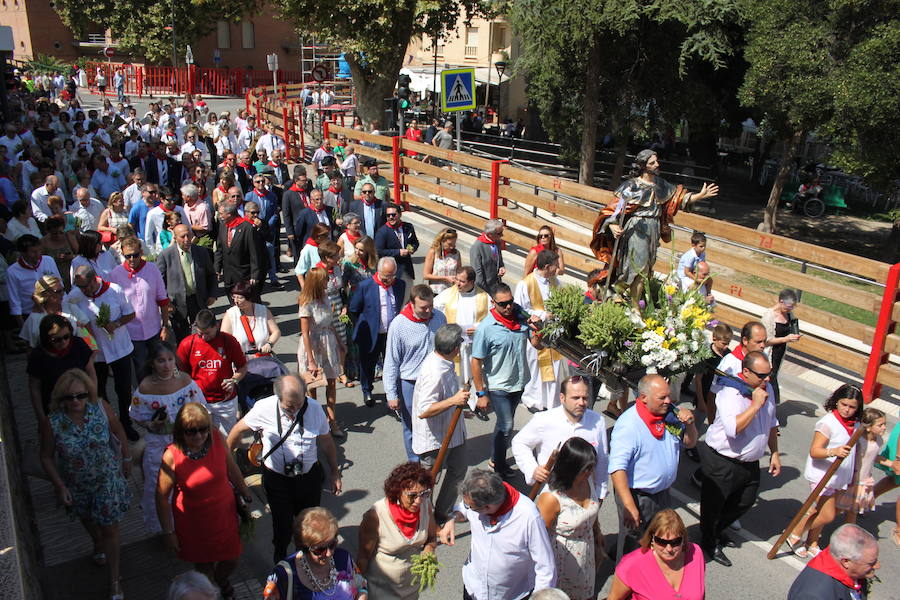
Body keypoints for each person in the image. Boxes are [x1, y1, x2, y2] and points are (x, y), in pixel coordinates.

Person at [228, 375, 342, 563]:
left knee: (309, 526)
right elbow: (237, 431)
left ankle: (307, 562)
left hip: (308, 479)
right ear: (278, 397)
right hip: (277, 479)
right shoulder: (264, 408)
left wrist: (335, 472)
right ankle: (280, 562)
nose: (295, 410)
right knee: (282, 526)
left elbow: (326, 441)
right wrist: (228, 464)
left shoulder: (313, 408)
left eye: (299, 404)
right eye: (290, 407)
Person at [40, 368, 132, 600]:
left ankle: (114, 580)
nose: (75, 401)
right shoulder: (53, 423)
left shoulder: (100, 408)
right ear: (60, 399)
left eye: (80, 395)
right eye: (69, 397)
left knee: (110, 528)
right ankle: (97, 543)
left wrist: (127, 457)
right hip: (76, 485)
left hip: (107, 481)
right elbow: (46, 456)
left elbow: (118, 429)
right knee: (90, 521)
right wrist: (60, 486)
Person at [590, 149, 719, 298]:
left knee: (646, 269)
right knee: (637, 267)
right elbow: (613, 210)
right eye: (652, 163)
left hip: (653, 230)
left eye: (656, 161)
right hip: (636, 229)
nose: (657, 164)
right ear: (643, 166)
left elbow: (679, 200)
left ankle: (632, 302)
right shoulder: (631, 186)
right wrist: (612, 225)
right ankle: (624, 296)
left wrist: (699, 196)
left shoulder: (661, 185)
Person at [156, 402, 249, 599]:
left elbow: (231, 467)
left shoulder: (215, 436)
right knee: (204, 567)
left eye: (202, 429)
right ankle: (208, 593)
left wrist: (244, 491)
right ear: (181, 432)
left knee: (232, 559)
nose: (198, 436)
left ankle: (221, 581)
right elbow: (162, 497)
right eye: (191, 432)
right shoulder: (171, 455)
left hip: (223, 516)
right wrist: (168, 532)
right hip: (194, 524)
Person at [698, 351, 780, 567]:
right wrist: (754, 406)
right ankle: (709, 541)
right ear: (746, 372)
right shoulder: (730, 393)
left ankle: (716, 530)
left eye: (769, 374)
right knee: (714, 506)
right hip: (722, 461)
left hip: (750, 462)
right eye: (762, 376)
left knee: (744, 501)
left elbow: (772, 422)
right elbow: (734, 429)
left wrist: (775, 453)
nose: (767, 380)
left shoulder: (766, 389)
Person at [609, 375, 697, 551]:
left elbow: (690, 442)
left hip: (662, 493)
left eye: (668, 396)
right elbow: (617, 468)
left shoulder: (671, 415)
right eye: (662, 398)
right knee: (635, 549)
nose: (668, 401)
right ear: (643, 398)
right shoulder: (629, 424)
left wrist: (690, 425)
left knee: (655, 541)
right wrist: (628, 505)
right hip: (639, 497)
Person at [439, 469, 556, 599]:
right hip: (474, 588)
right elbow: (464, 509)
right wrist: (453, 518)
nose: (469, 509)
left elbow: (545, 568)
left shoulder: (528, 517)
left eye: (473, 508)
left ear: (488, 507)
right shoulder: (474, 500)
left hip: (511, 595)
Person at [129, 341, 206, 533]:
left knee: (191, 481)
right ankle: (165, 527)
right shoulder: (145, 387)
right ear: (152, 363)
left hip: (185, 440)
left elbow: (201, 409)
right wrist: (151, 424)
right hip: (157, 443)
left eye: (170, 360)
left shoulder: (186, 381)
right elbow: (137, 416)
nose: (167, 365)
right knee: (159, 484)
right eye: (161, 361)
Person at [471, 283, 544, 478]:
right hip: (498, 385)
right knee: (507, 425)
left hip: (518, 382)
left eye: (510, 302)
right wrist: (481, 393)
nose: (508, 307)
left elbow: (537, 345)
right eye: (503, 304)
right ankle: (499, 465)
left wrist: (538, 328)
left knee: (503, 424)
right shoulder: (486, 328)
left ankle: (495, 459)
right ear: (493, 304)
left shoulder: (521, 321)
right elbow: (476, 361)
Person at [789, 384, 862, 558]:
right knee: (826, 515)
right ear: (836, 402)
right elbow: (815, 451)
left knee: (822, 511)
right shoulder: (827, 423)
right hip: (823, 475)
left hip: (840, 476)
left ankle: (812, 541)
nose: (847, 410)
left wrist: (854, 474)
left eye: (852, 407)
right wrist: (833, 451)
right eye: (844, 404)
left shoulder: (856, 424)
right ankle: (795, 533)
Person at [67, 264, 138, 440]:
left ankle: (126, 422)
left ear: (94, 279)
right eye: (79, 286)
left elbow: (130, 314)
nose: (82, 290)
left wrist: (116, 324)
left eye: (85, 286)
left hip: (119, 349)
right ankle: (108, 423)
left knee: (123, 390)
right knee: (98, 391)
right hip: (95, 354)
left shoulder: (114, 290)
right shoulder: (74, 296)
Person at [513, 375, 610, 499]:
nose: (581, 402)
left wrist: (600, 493)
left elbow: (602, 459)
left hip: (584, 495)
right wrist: (533, 469)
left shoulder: (597, 421)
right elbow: (519, 443)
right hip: (551, 496)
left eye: (585, 398)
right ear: (562, 398)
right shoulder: (543, 420)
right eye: (575, 398)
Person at [411, 324, 469, 520]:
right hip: (434, 439)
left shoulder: (445, 362)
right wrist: (454, 401)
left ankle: (442, 512)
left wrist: (457, 408)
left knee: (459, 469)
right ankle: (422, 521)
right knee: (428, 482)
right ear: (454, 348)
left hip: (453, 432)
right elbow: (424, 410)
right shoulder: (435, 371)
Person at [384, 284, 447, 461]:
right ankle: (415, 462)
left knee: (434, 420)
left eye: (430, 306)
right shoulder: (399, 325)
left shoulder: (439, 318)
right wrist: (391, 393)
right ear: (411, 304)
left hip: (436, 380)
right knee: (412, 424)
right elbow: (391, 361)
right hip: (410, 383)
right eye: (423, 308)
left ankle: (433, 456)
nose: (428, 311)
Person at [357, 463, 438, 599]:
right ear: (398, 491)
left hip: (411, 587)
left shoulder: (426, 505)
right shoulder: (376, 515)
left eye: (424, 494)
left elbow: (431, 537)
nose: (418, 501)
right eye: (412, 495)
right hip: (381, 589)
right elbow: (363, 556)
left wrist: (429, 549)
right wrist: (360, 589)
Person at [536, 438, 603, 600]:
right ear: (571, 467)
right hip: (561, 562)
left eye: (591, 467)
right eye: (585, 469)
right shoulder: (551, 498)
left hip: (587, 555)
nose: (590, 472)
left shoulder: (588, 481)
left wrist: (598, 539)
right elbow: (538, 540)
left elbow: (591, 517)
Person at [262, 507, 365, 599]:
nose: (329, 553)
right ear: (304, 547)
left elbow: (361, 585)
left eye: (332, 544)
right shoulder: (283, 574)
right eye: (320, 550)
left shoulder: (343, 558)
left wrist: (362, 596)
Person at [607, 509, 706, 600]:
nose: (669, 549)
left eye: (675, 542)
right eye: (661, 542)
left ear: (683, 539)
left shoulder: (696, 553)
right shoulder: (631, 564)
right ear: (652, 539)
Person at [176, 309, 247, 435]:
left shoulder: (228, 341)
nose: (203, 337)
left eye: (207, 333)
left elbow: (242, 367)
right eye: (200, 333)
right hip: (198, 402)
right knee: (199, 440)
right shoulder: (187, 344)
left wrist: (234, 380)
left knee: (227, 441)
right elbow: (182, 374)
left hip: (225, 401)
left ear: (216, 326)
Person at [515, 250, 568, 412]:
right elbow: (519, 309)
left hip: (553, 332)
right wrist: (543, 314)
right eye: (555, 266)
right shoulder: (526, 283)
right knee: (537, 368)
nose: (557, 269)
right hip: (536, 333)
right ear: (546, 266)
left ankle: (552, 401)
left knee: (555, 367)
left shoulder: (555, 281)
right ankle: (534, 400)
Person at [108, 236, 171, 371]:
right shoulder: (115, 274)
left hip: (154, 329)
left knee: (159, 366)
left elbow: (163, 299)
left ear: (141, 253)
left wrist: (165, 326)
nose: (131, 259)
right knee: (141, 368)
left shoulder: (152, 269)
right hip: (131, 332)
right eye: (128, 256)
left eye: (135, 255)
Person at [349, 257, 406, 407]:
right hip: (370, 334)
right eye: (386, 275)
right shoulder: (365, 286)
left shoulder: (400, 285)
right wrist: (364, 325)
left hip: (391, 334)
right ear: (379, 271)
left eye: (392, 275)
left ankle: (392, 394)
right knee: (367, 364)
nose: (389, 279)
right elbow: (354, 309)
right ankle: (367, 389)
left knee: (393, 365)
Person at [297, 267, 346, 437]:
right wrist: (310, 360)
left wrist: (340, 342)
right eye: (325, 279)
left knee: (331, 381)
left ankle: (332, 421)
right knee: (313, 385)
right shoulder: (306, 302)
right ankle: (314, 420)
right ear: (317, 282)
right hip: (312, 344)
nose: (329, 282)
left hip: (328, 342)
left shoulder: (326, 297)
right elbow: (305, 333)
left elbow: (331, 322)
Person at [27, 312, 97, 420]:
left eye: (66, 337)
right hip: (54, 408)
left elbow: (91, 372)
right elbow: (34, 388)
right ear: (47, 339)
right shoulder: (38, 356)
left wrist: (93, 400)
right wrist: (41, 417)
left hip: (82, 404)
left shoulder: (78, 344)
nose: (63, 342)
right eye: (57, 339)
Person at [787, 524, 880, 600]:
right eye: (871, 563)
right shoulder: (814, 596)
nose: (877, 565)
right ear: (846, 562)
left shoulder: (851, 568)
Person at [157, 225, 217, 341]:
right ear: (175, 238)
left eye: (188, 236)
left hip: (198, 300)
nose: (186, 239)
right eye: (182, 237)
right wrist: (166, 302)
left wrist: (212, 294)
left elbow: (211, 275)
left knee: (202, 335)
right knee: (182, 338)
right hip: (176, 304)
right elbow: (159, 283)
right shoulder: (166, 255)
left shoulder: (201, 252)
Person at [433, 266, 489, 387]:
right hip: (454, 344)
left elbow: (493, 318)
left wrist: (479, 326)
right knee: (457, 375)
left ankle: (476, 399)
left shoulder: (484, 297)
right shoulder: (448, 294)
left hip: (474, 344)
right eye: (457, 279)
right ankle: (457, 400)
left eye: (462, 281)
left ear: (472, 282)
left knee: (474, 374)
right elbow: (433, 310)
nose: (457, 284)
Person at [840, 408, 890, 523]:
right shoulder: (858, 441)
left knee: (853, 511)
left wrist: (891, 464)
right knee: (835, 509)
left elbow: (873, 457)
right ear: (868, 427)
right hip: (852, 480)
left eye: (885, 424)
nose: (884, 427)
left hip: (863, 481)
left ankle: (847, 535)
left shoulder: (879, 441)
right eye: (880, 425)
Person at [8, 234, 62, 327]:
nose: (38, 254)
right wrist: (23, 327)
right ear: (22, 253)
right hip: (30, 314)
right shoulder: (12, 271)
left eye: (39, 250)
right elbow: (14, 302)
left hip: (54, 310)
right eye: (33, 252)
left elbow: (60, 284)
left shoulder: (48, 261)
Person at [215, 201, 262, 300]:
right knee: (233, 304)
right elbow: (220, 250)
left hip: (243, 275)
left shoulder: (247, 228)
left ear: (229, 214)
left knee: (248, 303)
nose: (219, 216)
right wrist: (217, 269)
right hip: (228, 275)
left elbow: (254, 253)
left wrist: (254, 275)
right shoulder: (223, 226)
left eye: (221, 213)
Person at [762, 288, 801, 404]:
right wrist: (786, 339)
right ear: (781, 301)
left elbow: (792, 327)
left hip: (780, 352)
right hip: (769, 352)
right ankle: (772, 404)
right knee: (770, 378)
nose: (790, 309)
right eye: (789, 306)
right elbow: (765, 341)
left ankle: (770, 405)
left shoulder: (789, 314)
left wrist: (794, 335)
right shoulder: (769, 316)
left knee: (774, 376)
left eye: (793, 307)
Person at [221, 279, 281, 356]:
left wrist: (269, 344)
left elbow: (276, 332)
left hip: (261, 360)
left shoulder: (263, 310)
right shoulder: (230, 314)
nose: (235, 301)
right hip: (240, 361)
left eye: (240, 298)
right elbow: (224, 340)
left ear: (249, 297)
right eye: (234, 297)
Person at [375, 204, 419, 286]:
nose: (391, 217)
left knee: (407, 295)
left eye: (393, 215)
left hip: (407, 270)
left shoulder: (408, 227)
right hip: (391, 272)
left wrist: (412, 248)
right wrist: (398, 252)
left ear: (400, 214)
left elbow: (415, 242)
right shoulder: (382, 232)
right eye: (388, 215)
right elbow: (379, 251)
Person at [282, 168, 311, 261]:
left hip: (310, 227)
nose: (306, 182)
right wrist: (289, 232)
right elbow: (286, 215)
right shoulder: (288, 194)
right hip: (297, 228)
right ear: (296, 181)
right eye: (303, 181)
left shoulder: (309, 191)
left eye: (306, 180)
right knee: (299, 254)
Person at [470, 218, 505, 294]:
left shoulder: (497, 242)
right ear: (490, 234)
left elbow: (499, 259)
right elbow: (477, 272)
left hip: (496, 285)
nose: (502, 235)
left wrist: (501, 267)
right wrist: (483, 291)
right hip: (485, 289)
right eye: (499, 233)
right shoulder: (477, 247)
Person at [423, 227, 460, 294]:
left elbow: (459, 272)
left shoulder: (456, 253)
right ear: (442, 241)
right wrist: (445, 278)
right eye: (449, 244)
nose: (452, 247)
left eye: (454, 244)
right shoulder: (433, 252)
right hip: (436, 291)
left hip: (451, 291)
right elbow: (426, 275)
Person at [293, 223, 331, 287]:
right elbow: (299, 271)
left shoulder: (327, 245)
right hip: (315, 283)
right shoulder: (308, 249)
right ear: (318, 236)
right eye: (325, 235)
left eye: (328, 235)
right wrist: (304, 287)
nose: (328, 237)